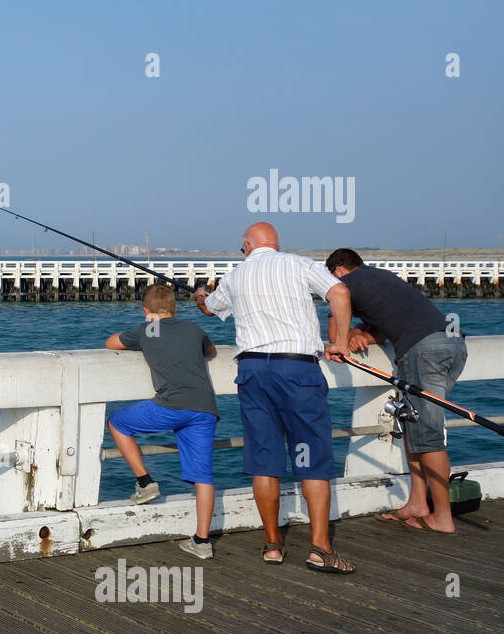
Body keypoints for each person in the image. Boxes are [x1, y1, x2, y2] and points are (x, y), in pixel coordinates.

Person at [193, 222, 356, 573]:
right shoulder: (298, 265)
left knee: (264, 457)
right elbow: (340, 293)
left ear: (247, 245)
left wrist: (201, 298)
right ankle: (319, 549)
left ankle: (272, 545)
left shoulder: (236, 275)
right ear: (275, 244)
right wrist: (340, 342)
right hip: (296, 370)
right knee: (311, 455)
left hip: (253, 371)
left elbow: (211, 309)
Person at [325, 248, 468, 534]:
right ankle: (417, 503)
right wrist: (360, 334)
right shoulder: (380, 279)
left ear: (339, 269)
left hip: (423, 352)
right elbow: (381, 328)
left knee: (428, 435)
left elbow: (334, 333)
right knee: (413, 424)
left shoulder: (346, 285)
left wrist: (341, 339)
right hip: (452, 346)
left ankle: (443, 517)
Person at [105, 283, 219, 558]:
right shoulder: (193, 329)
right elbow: (211, 351)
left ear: (146, 311)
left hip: (170, 405)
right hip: (204, 409)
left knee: (117, 422)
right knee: (203, 476)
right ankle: (202, 541)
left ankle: (145, 482)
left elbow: (111, 343)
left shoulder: (146, 329)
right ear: (175, 308)